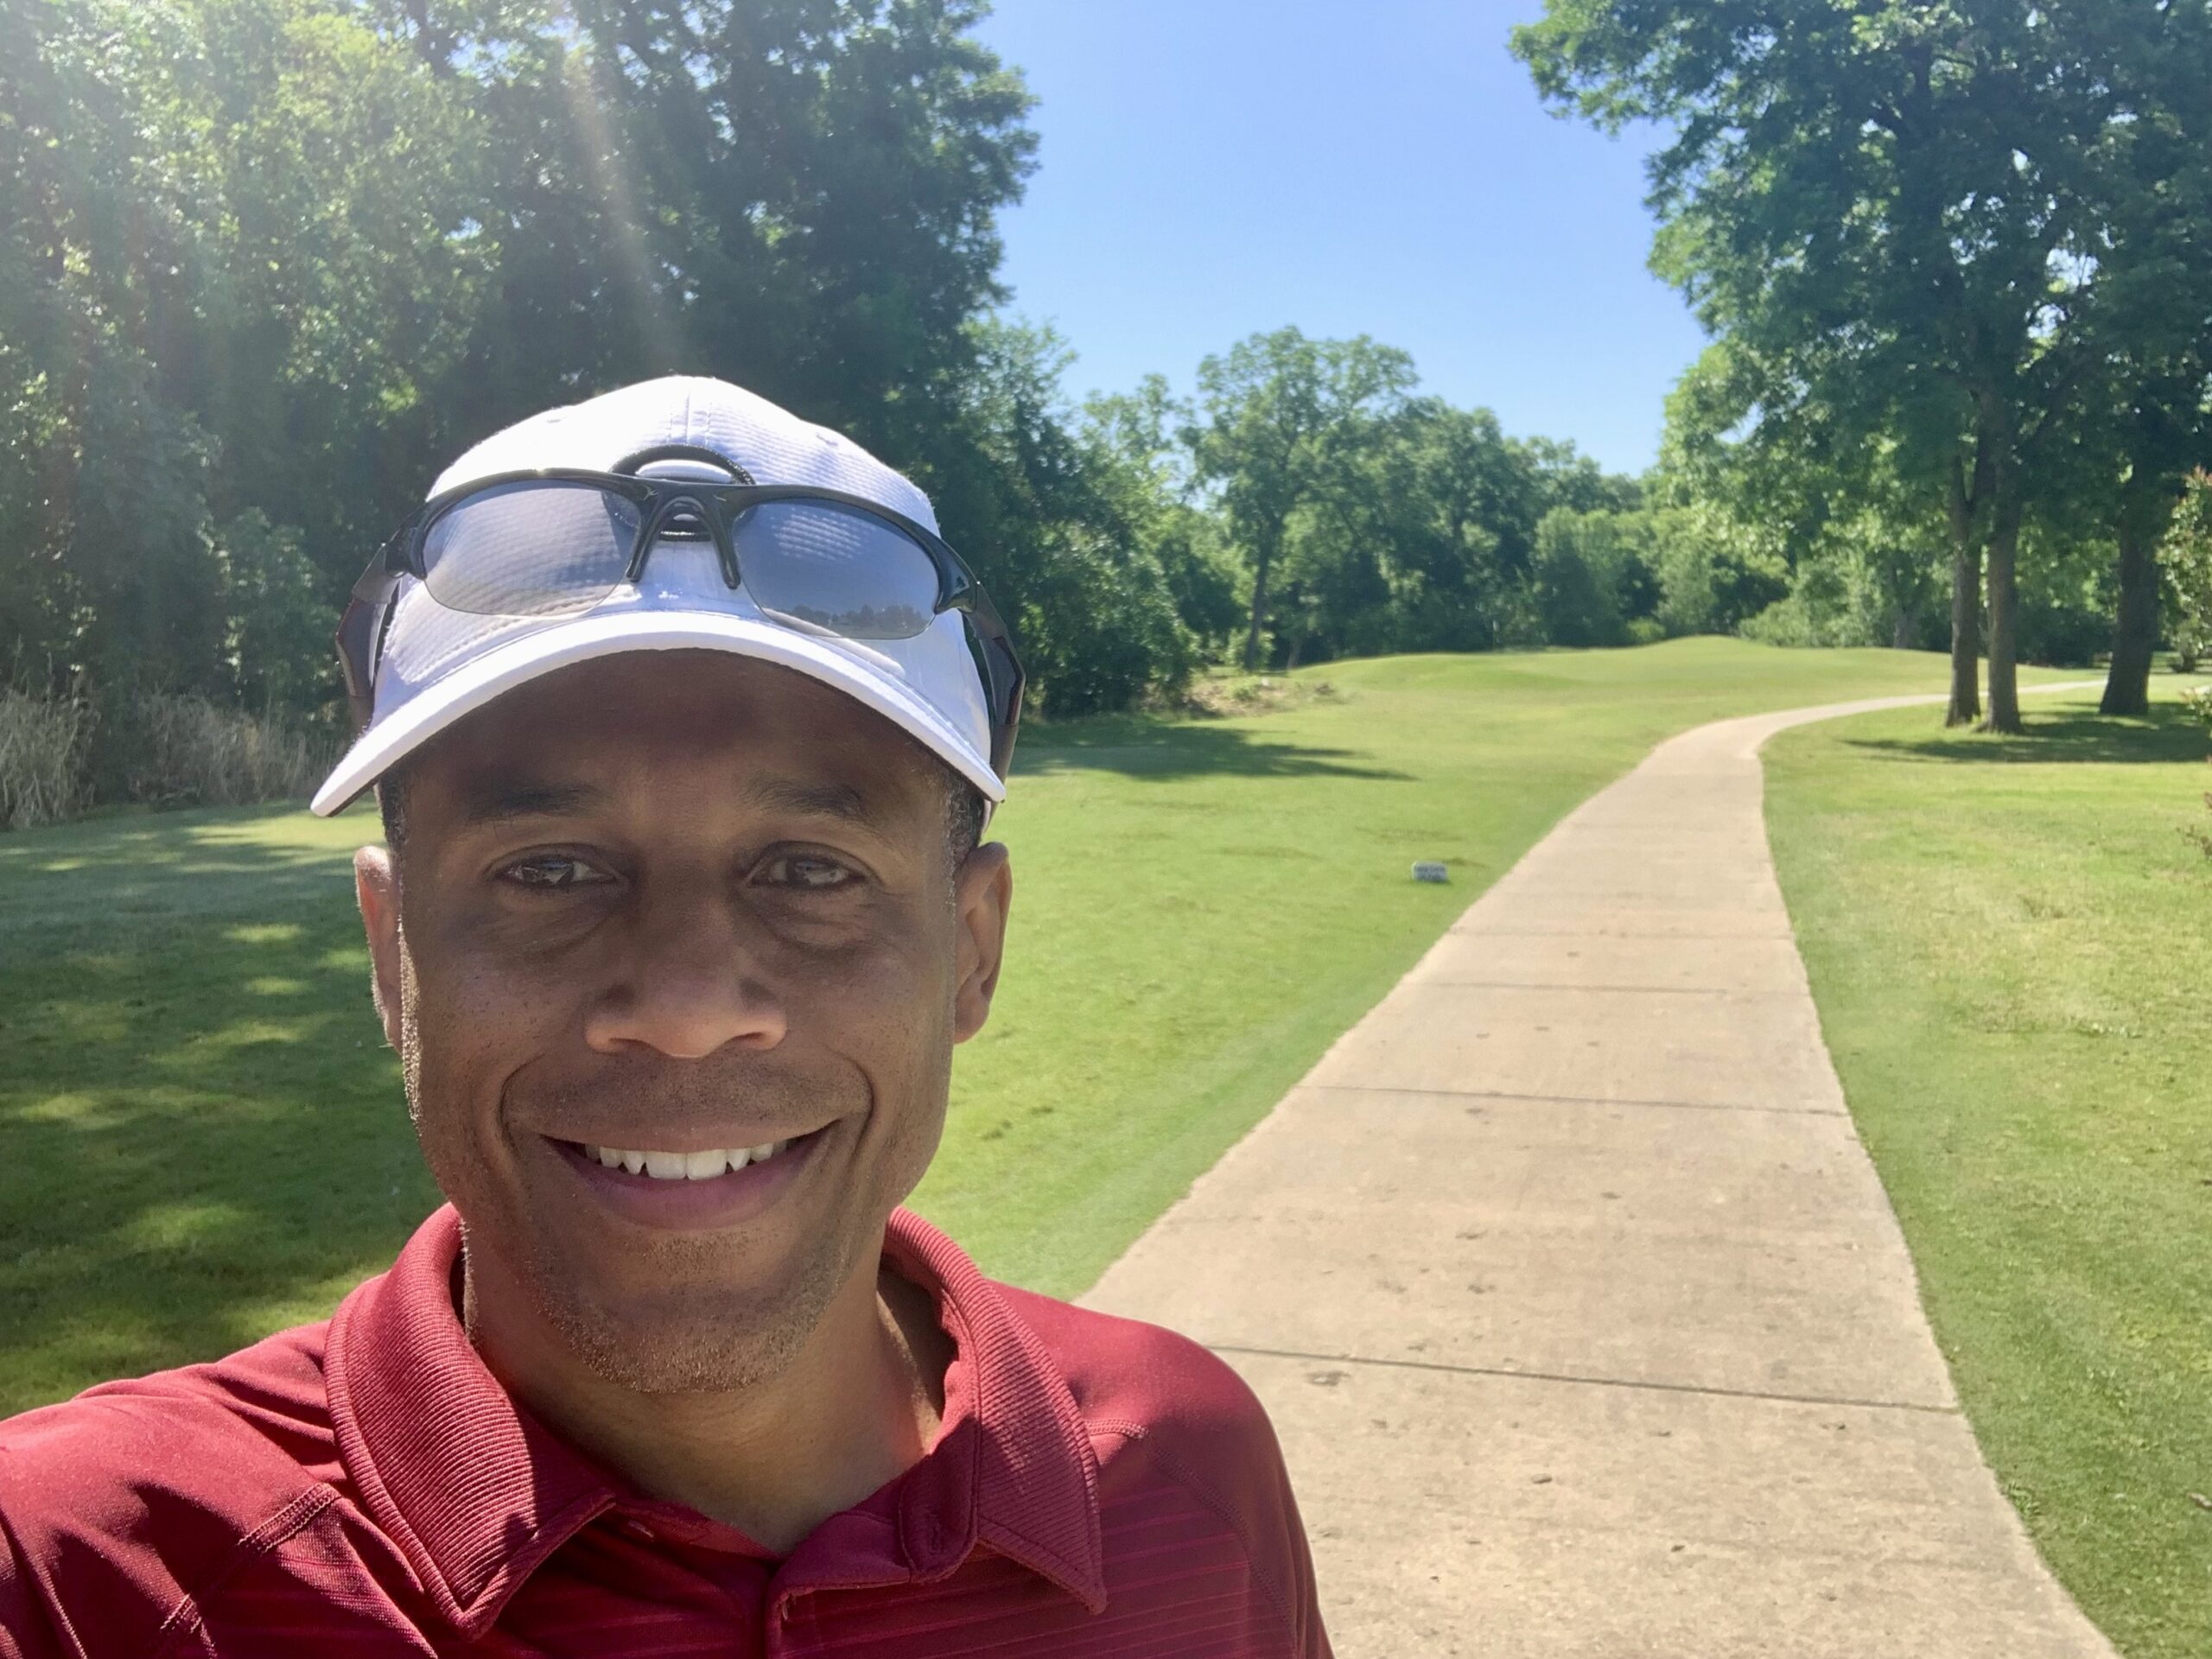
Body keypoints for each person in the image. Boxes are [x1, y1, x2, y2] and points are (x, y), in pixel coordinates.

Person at [0, 378, 1331, 1656]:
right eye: (551, 872)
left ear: (969, 950)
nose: (687, 1012)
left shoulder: (1187, 1477)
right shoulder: (79, 1576)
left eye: (809, 869)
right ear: (394, 954)